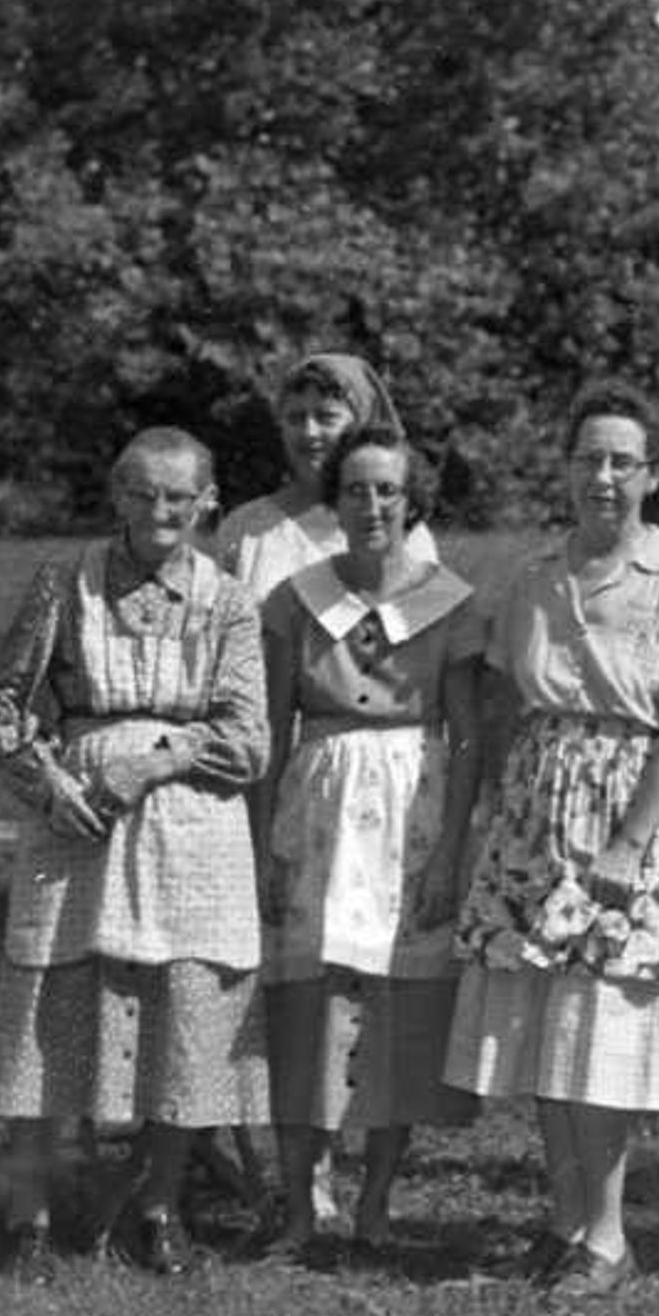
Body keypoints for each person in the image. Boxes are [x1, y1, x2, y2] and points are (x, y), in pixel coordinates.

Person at [449, 383, 659, 1301]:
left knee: (600, 1030)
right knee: (544, 1028)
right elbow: (499, 701)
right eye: (588, 459)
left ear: (654, 474)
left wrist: (627, 843)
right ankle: (564, 1222)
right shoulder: (533, 577)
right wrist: (499, 812)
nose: (603, 477)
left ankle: (607, 1237)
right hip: (536, 814)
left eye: (623, 461)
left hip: (625, 815)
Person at [0, 429, 269, 1274]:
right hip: (80, 824)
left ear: (208, 500)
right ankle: (27, 1215)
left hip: (193, 827)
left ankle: (160, 1205)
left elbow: (248, 742)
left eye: (179, 495)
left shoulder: (228, 600)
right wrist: (44, 780)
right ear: (117, 496)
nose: (161, 511)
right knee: (48, 1009)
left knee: (187, 1006)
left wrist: (157, 759)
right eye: (143, 493)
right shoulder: (66, 582)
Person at [256, 420, 485, 1260]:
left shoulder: (447, 601)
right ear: (335, 500)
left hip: (408, 805)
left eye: (387, 489)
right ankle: (299, 1203)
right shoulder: (297, 597)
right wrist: (262, 841)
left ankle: (376, 1203)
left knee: (397, 1005)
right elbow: (270, 729)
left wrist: (451, 849)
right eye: (355, 489)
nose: (372, 505)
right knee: (308, 1000)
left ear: (410, 498)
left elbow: (467, 738)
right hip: (317, 803)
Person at [218, 351, 438, 603]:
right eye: (295, 418)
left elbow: (426, 635)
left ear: (361, 425)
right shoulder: (244, 529)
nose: (309, 432)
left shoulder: (403, 532)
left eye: (326, 417)